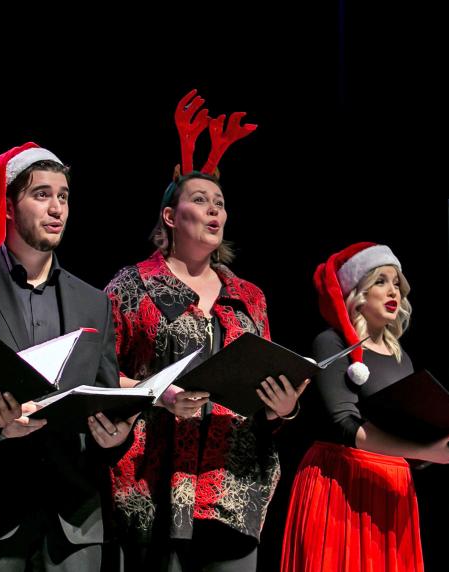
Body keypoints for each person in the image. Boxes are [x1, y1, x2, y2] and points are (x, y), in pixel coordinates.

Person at [105, 90, 307, 571]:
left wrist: (285, 408)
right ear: (171, 217)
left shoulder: (249, 296)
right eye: (200, 200)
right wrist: (162, 394)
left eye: (220, 202)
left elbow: (264, 385)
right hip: (152, 485)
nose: (215, 210)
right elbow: (99, 376)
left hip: (234, 490)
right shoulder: (133, 286)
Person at [0, 142, 133, 571]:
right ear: (9, 206)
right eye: (41, 194)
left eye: (64, 196)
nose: (57, 208)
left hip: (72, 521)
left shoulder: (93, 302)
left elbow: (104, 397)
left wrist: (116, 435)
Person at [281, 242, 449, 572]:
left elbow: (407, 428)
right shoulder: (333, 342)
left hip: (391, 488)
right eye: (380, 281)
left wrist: (438, 443)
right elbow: (344, 423)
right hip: (341, 483)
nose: (392, 290)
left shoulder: (402, 358)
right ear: (358, 293)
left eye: (396, 282)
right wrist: (423, 451)